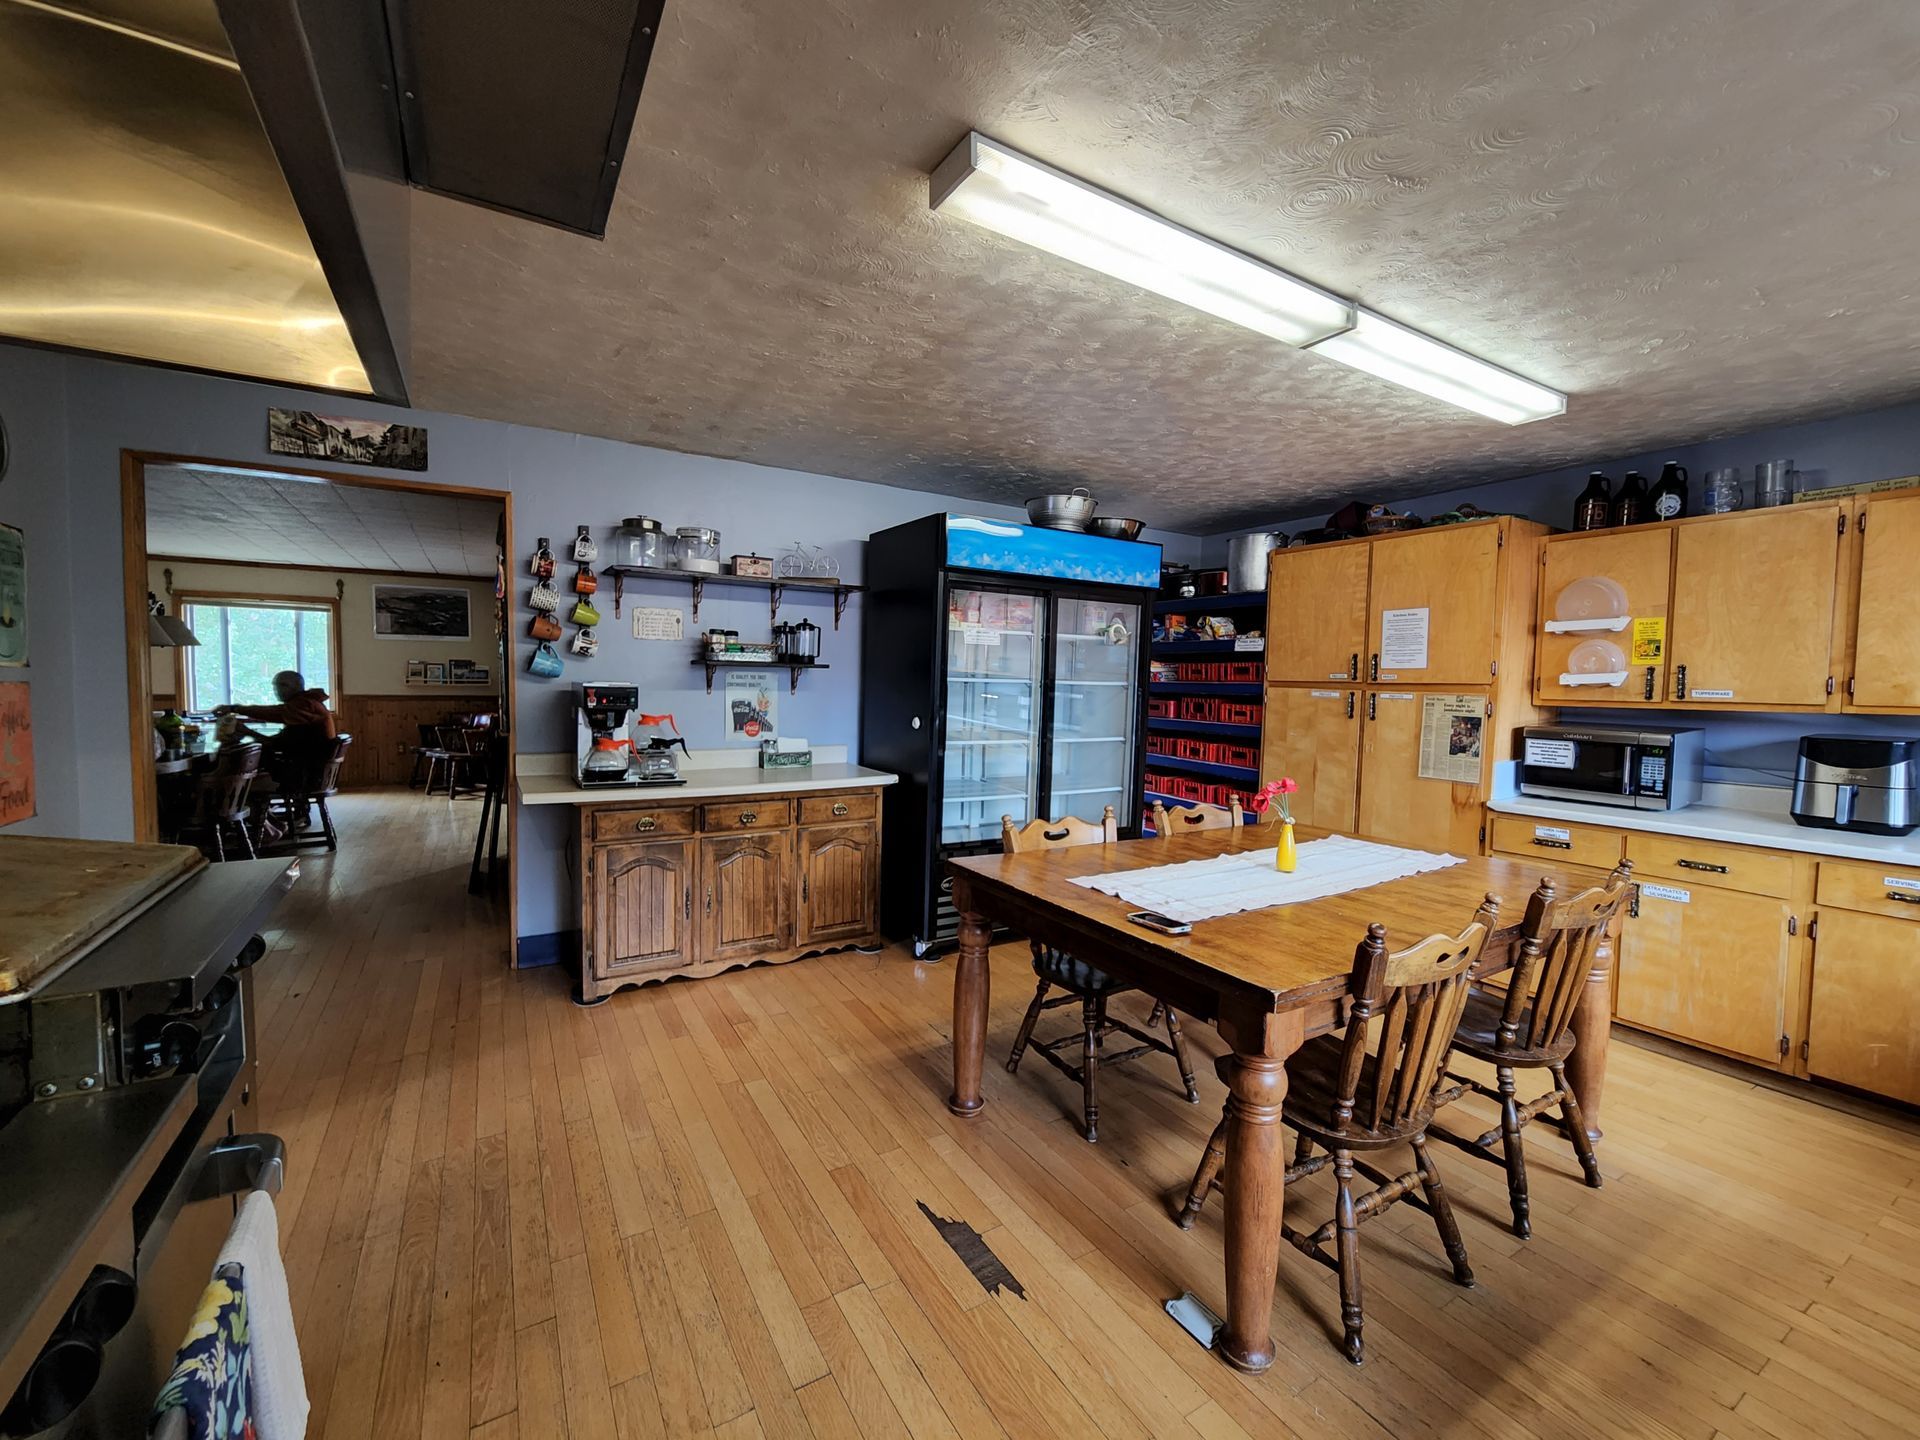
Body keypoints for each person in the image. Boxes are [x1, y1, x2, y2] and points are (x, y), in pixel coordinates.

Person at [217, 672, 337, 839]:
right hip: (309, 771)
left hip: (303, 775)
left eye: (282, 685)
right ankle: (272, 825)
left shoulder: (303, 706)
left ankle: (266, 829)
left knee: (236, 783)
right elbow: (283, 740)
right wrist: (248, 730)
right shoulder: (307, 703)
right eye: (275, 685)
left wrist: (240, 717)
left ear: (297, 686)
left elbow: (277, 723)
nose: (277, 690)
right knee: (241, 779)